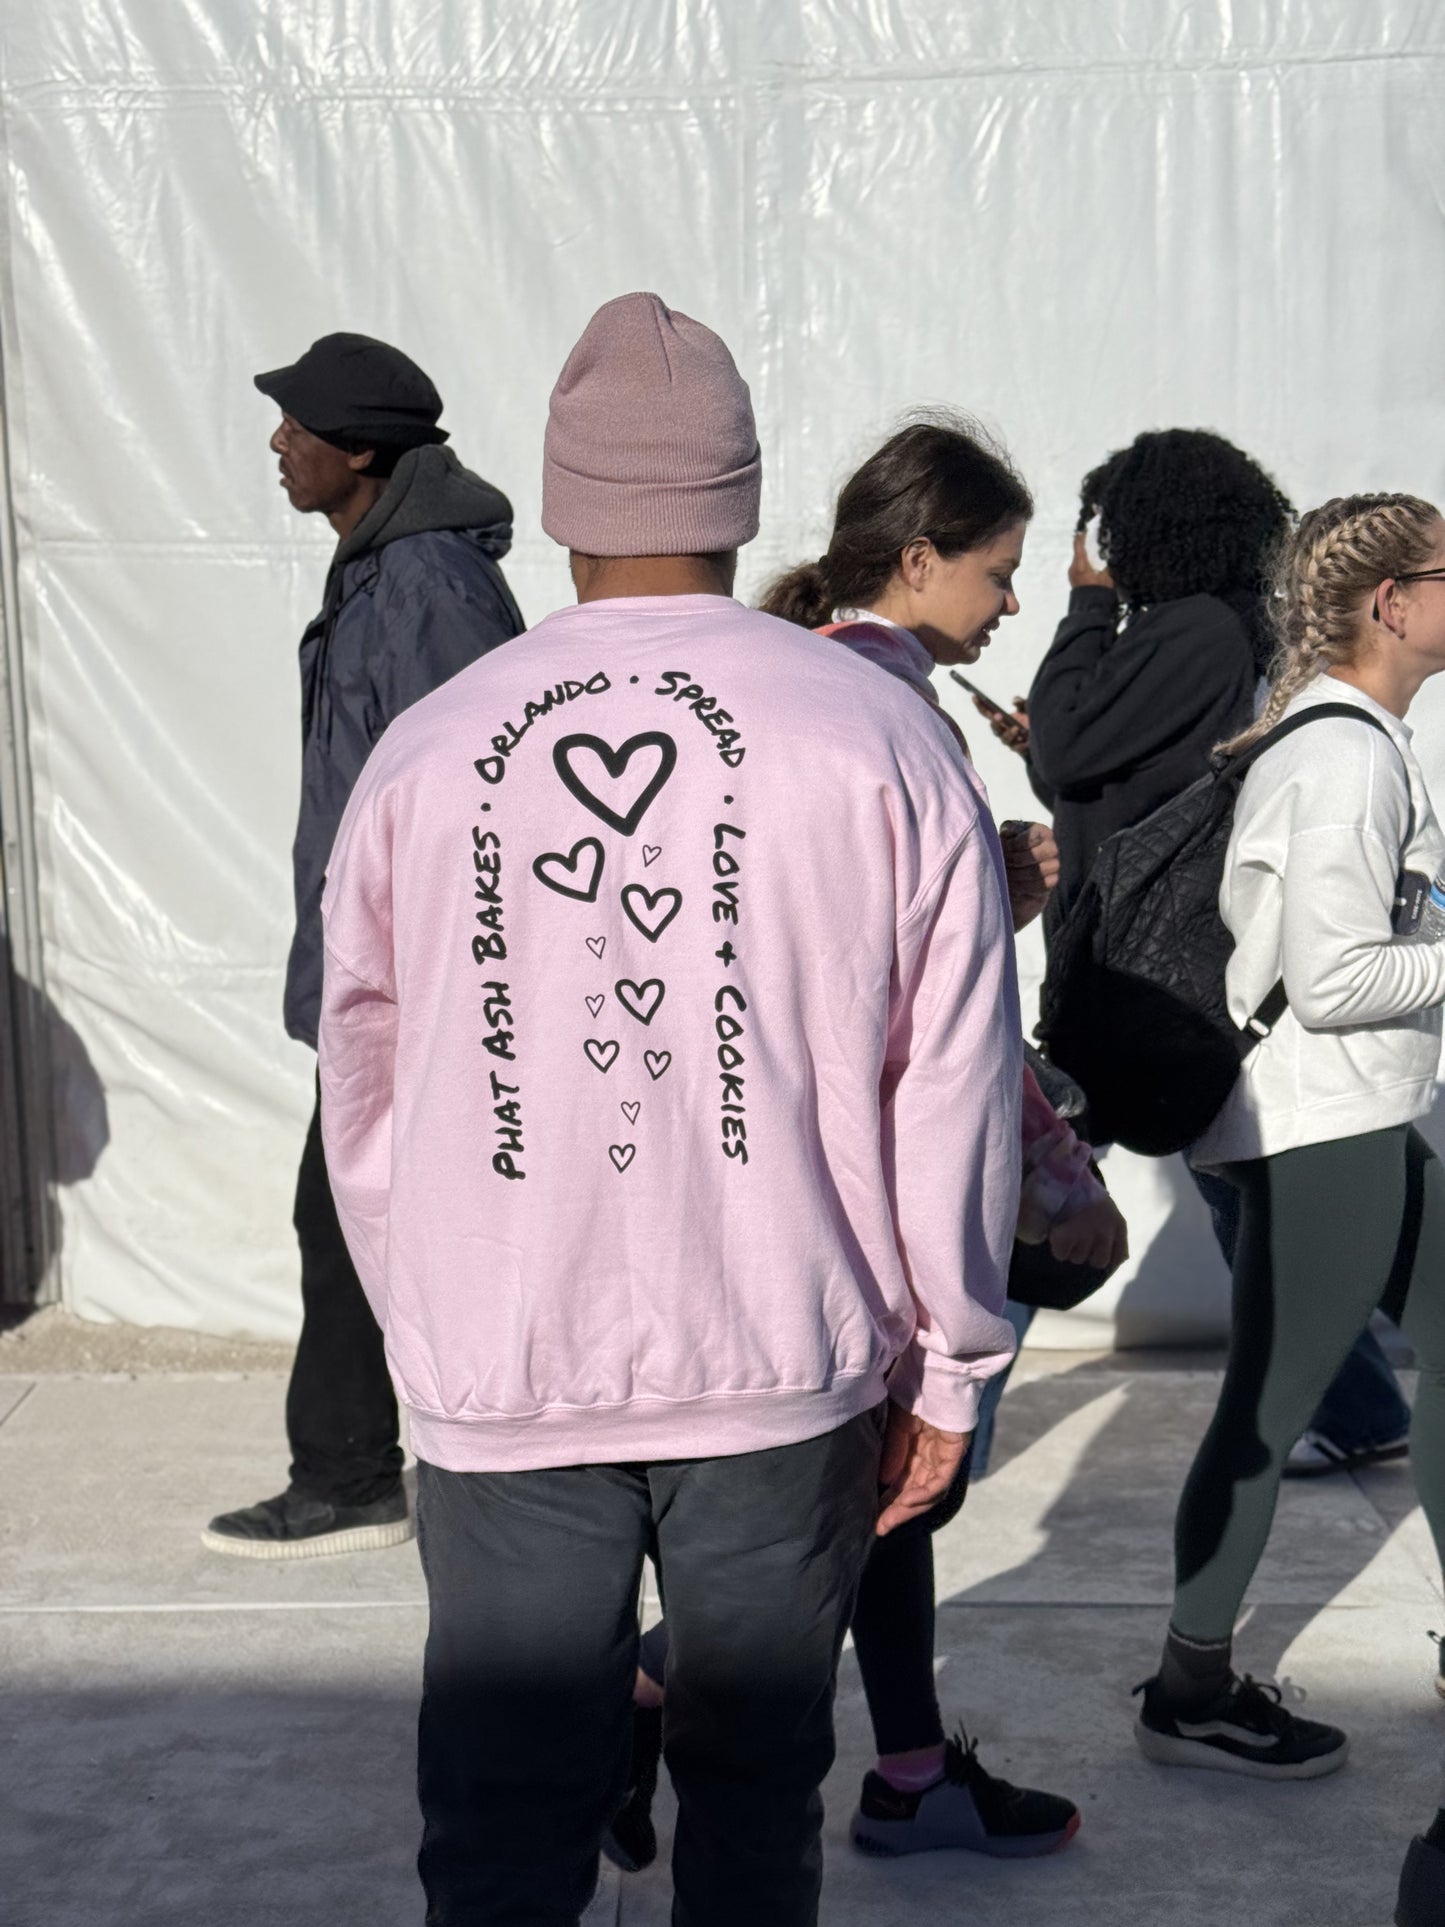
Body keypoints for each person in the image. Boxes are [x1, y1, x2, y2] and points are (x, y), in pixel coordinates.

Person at [317, 295, 1024, 1924]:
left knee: (499, 1816)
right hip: (784, 1357)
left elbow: (365, 1081)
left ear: (563, 503)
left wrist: (431, 1306)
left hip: (504, 1358)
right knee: (757, 1800)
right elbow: (954, 1081)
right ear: (738, 493)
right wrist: (953, 1354)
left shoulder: (433, 755)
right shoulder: (874, 737)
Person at [603, 417, 1126, 1872]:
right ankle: (643, 1680)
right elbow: (943, 1030)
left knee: (885, 1498)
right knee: (895, 1483)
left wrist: (991, 887)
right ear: (915, 560)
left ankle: (904, 1768)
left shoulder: (780, 696)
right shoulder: (892, 717)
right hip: (884, 1199)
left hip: (766, 1165)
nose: (1012, 603)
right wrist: (1061, 1181)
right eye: (999, 571)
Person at [983, 428, 1413, 1481]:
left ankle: (953, 1420)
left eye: (1104, 529)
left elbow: (1080, 748)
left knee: (1041, 1175)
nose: (1097, 550)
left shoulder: (1194, 631)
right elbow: (1102, 778)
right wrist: (1046, 746)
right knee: (1220, 1187)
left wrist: (1083, 609)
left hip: (1148, 968)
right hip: (1148, 957)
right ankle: (1358, 1400)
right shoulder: (1212, 633)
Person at [1134, 492, 1445, 1778]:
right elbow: (1331, 981)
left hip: (1362, 1112)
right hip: (1327, 1121)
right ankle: (1190, 1684)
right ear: (1391, 601)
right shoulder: (1342, 758)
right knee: (1265, 1408)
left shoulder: (1354, 739)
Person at [203, 332, 525, 1559]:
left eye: (296, 427)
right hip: (376, 971)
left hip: (417, 979)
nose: (276, 445)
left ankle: (356, 1472)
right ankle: (364, 1463)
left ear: (360, 451)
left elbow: (480, 790)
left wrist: (440, 979)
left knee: (351, 1217)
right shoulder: (384, 569)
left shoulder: (429, 585)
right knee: (340, 1216)